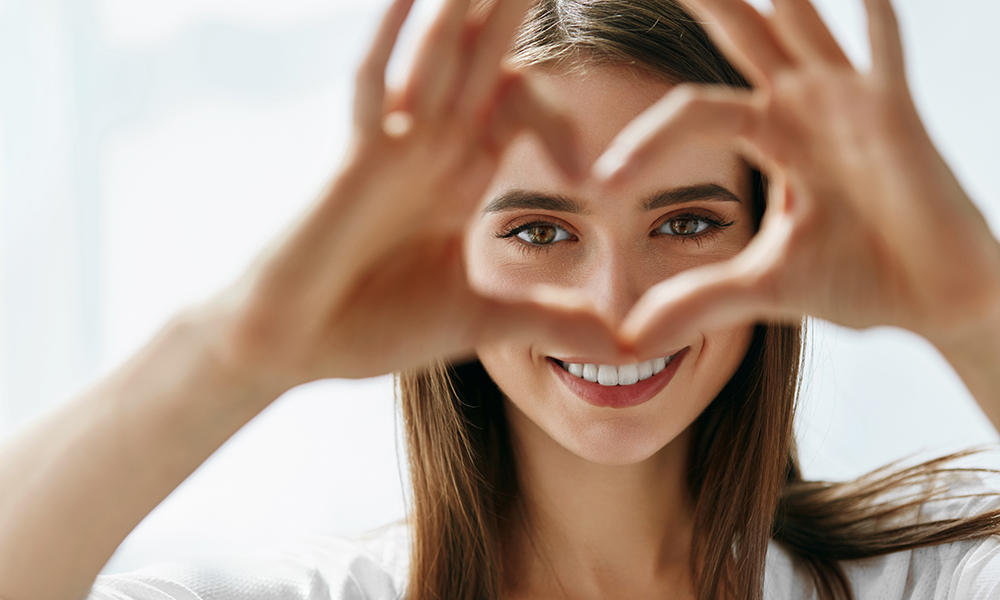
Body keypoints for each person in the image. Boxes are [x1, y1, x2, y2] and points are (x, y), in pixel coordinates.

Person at [2, 0, 1000, 598]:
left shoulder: (927, 578)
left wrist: (976, 311)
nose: (615, 301)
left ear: (770, 232)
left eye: (687, 222)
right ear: (452, 253)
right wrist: (233, 354)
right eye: (538, 231)